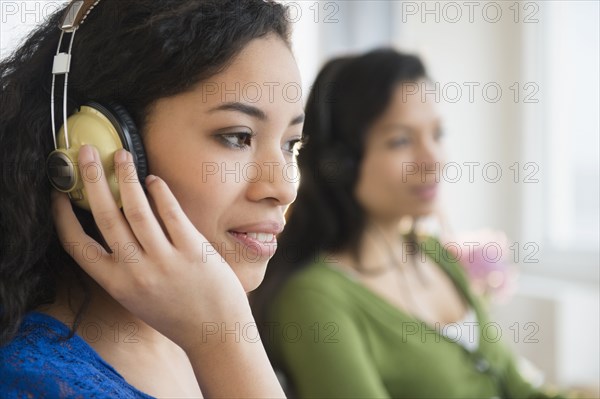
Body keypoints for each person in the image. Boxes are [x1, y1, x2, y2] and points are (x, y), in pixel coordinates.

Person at [0, 0, 304, 397]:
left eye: (291, 144)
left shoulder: (189, 340)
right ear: (97, 144)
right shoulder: (37, 382)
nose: (284, 187)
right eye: (237, 137)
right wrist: (225, 339)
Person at [251, 49, 563, 399]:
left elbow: (519, 387)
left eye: (437, 134)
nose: (433, 160)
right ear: (341, 163)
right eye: (401, 140)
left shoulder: (433, 254)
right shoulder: (312, 299)